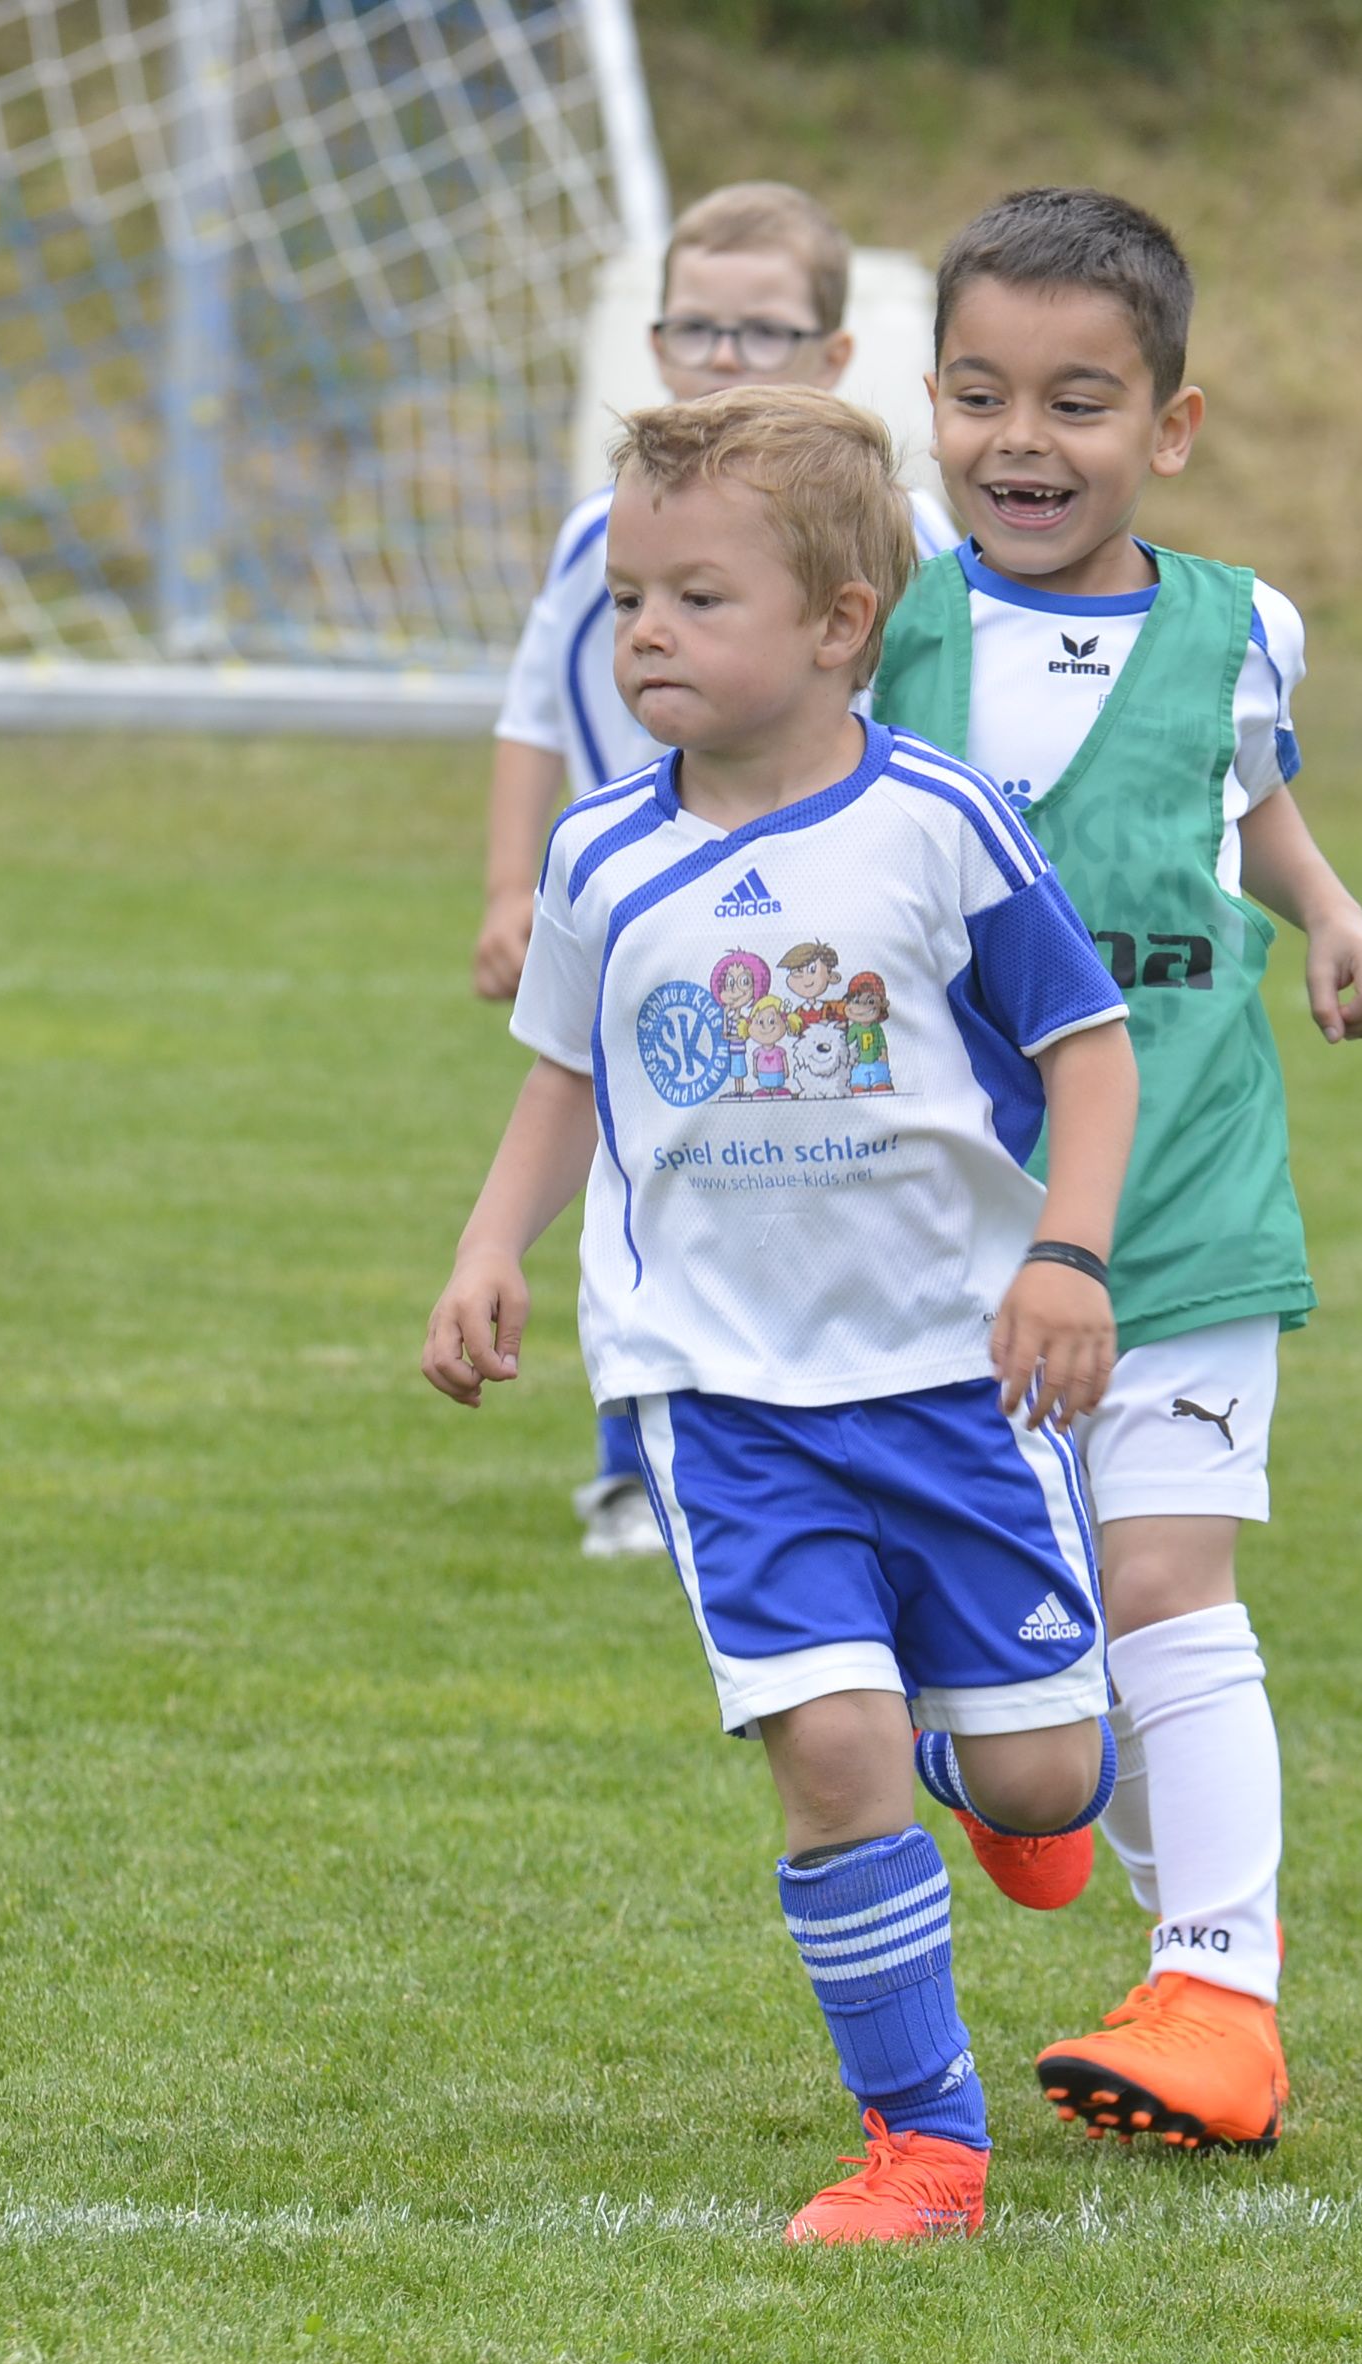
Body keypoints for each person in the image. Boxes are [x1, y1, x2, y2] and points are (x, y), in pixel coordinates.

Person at [423, 388, 1138, 2243]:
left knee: (1047, 1775)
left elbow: (1087, 1045)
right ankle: (926, 2140)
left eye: (697, 599)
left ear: (839, 624)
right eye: (628, 601)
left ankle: (985, 1762)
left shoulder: (938, 822)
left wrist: (1065, 1257)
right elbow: (566, 1073)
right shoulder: (599, 853)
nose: (645, 633)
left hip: (955, 1377)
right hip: (721, 1395)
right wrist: (491, 1246)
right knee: (827, 1752)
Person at [870, 189, 1362, 2154]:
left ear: (1169, 427)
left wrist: (1335, 918)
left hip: (1184, 1199)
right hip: (939, 1226)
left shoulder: (1241, 628)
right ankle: (1020, 1770)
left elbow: (1242, 797)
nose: (1021, 441)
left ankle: (1218, 1993)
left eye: (1078, 402)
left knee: (1171, 1581)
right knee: (1015, 1687)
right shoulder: (886, 620)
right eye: (980, 395)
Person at [472, 180, 958, 1561]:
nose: (726, 359)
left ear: (836, 355)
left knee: (820, 1165)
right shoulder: (601, 536)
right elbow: (531, 709)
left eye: (764, 333)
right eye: (697, 328)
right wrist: (512, 888)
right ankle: (640, 1461)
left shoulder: (910, 546)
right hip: (645, 918)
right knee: (646, 1165)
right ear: (656, 341)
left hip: (837, 932)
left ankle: (896, 1429)